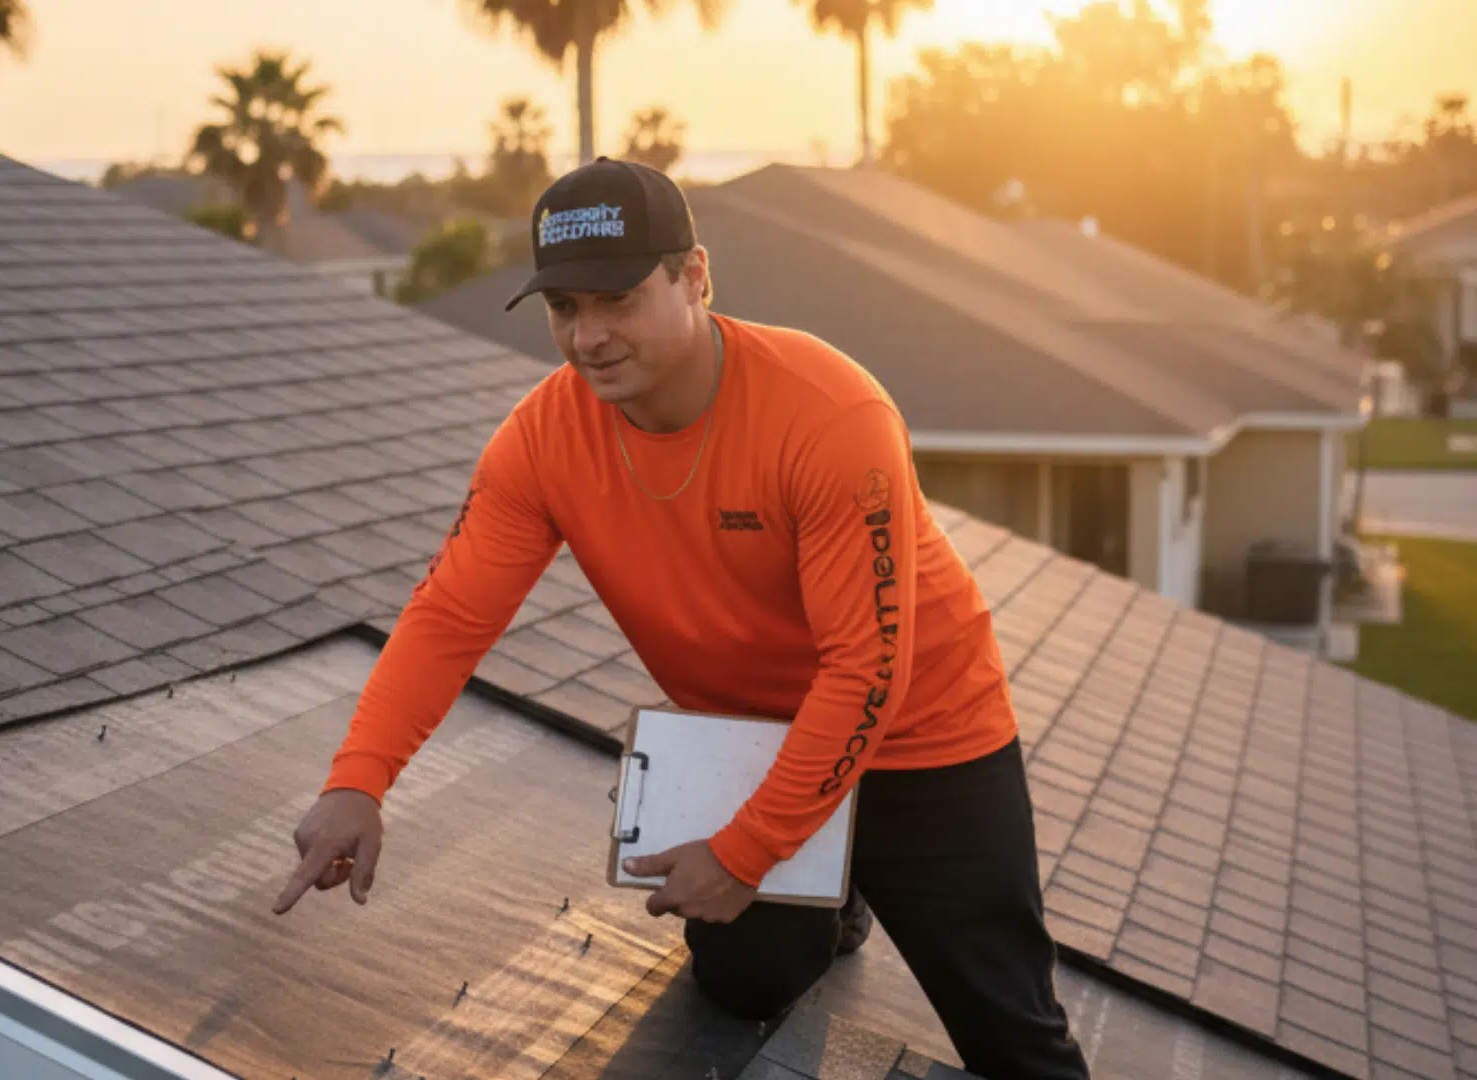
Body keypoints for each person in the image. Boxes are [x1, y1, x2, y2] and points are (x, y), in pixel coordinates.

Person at [271, 157, 1090, 1080]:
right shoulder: (542, 441)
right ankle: (833, 886)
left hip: (922, 729)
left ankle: (837, 864)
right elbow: (448, 618)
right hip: (749, 737)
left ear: (694, 276)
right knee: (744, 983)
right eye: (564, 309)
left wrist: (746, 854)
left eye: (616, 299)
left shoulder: (829, 416)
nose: (588, 337)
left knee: (1015, 1042)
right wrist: (358, 780)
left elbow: (867, 672)